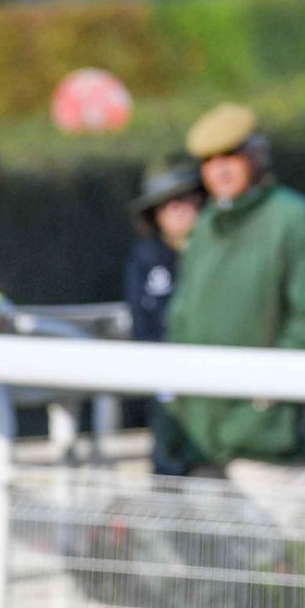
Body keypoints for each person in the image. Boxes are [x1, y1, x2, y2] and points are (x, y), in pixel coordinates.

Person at [154, 104, 305, 490]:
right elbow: (183, 320)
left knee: (282, 551)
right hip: (202, 443)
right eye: (209, 160)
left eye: (231, 155)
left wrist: (264, 401)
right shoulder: (207, 225)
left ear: (257, 155)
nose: (220, 168)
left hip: (268, 445)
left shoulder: (295, 219)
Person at [124, 158, 205, 477]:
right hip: (167, 386)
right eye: (169, 204)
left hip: (214, 383)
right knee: (169, 471)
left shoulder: (216, 252)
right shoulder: (145, 257)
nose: (180, 209)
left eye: (186, 199)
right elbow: (142, 321)